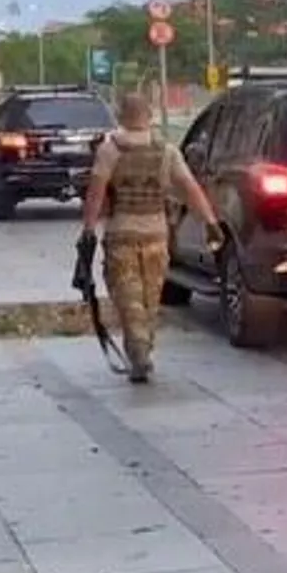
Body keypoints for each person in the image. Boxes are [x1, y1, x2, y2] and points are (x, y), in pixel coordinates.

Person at [81, 92, 221, 383]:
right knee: (150, 299)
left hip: (122, 234)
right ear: (150, 116)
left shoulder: (110, 150)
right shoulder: (166, 151)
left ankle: (139, 354)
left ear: (121, 116)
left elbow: (95, 193)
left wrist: (88, 229)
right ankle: (143, 350)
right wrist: (209, 221)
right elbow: (190, 188)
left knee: (128, 297)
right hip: (157, 235)